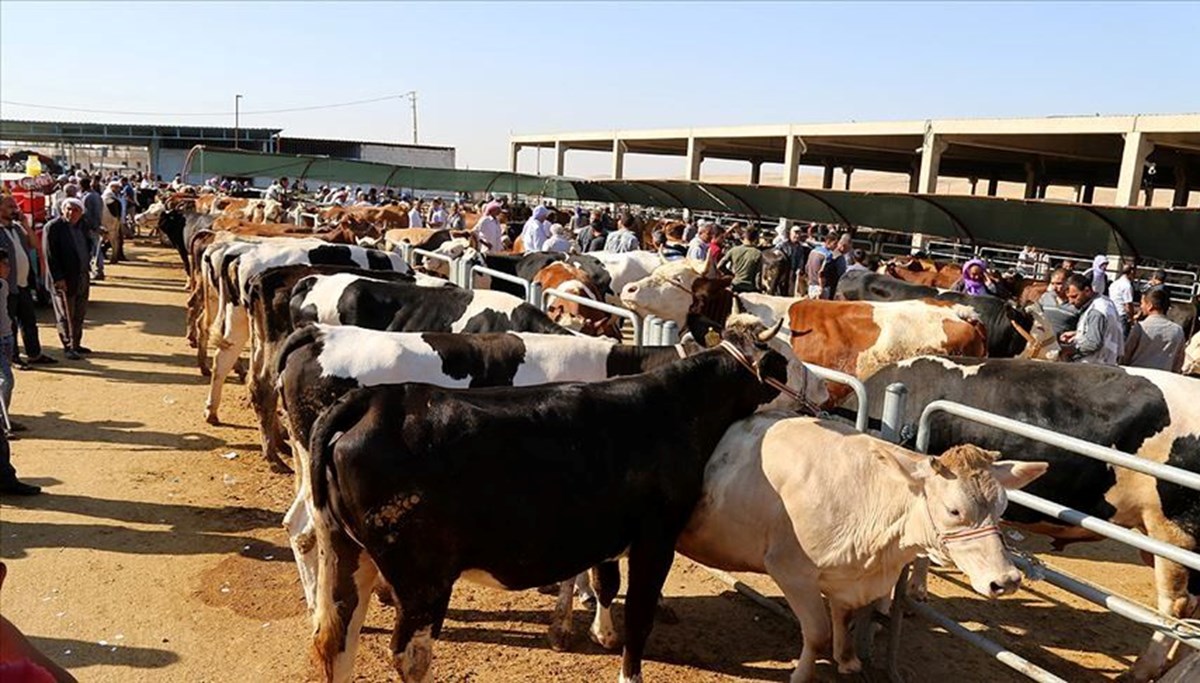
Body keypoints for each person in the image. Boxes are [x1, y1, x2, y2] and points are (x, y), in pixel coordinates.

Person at [0, 198, 52, 367]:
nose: (14, 209)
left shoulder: (16, 228)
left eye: (14, 206)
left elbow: (35, 244)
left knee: (29, 321)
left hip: (23, 284)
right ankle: (13, 357)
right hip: (7, 285)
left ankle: (34, 354)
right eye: (10, 207)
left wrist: (25, 224)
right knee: (9, 323)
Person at [43, 199, 93, 360]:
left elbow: (88, 245)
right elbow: (50, 256)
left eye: (76, 210)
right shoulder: (53, 227)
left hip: (82, 276)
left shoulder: (82, 226)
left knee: (79, 312)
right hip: (63, 279)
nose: (71, 213)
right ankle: (68, 346)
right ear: (63, 210)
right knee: (65, 314)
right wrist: (58, 278)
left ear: (81, 212)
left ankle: (76, 344)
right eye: (69, 209)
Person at [1059, 273, 1124, 365]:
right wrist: (1078, 334)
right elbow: (1103, 331)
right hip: (1107, 361)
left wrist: (1068, 349)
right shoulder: (1106, 302)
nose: (1071, 302)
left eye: (1074, 296)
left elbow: (1092, 343)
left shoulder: (1096, 311)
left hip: (1094, 365)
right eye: (1068, 298)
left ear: (1087, 291)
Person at [1122, 289, 1186, 372]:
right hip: (1164, 378)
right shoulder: (1178, 330)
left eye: (1142, 303)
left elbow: (1126, 355)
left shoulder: (1141, 327)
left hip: (1137, 376)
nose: (1141, 306)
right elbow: (1178, 362)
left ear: (1150, 306)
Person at [718, 227, 764, 293]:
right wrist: (759, 290)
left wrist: (730, 274)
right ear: (756, 239)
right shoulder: (757, 253)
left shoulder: (734, 250)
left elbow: (719, 266)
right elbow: (758, 275)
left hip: (735, 284)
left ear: (744, 236)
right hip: (749, 288)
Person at [1038, 268, 1081, 337]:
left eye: (1058, 283)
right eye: (1052, 284)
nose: (1054, 288)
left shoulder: (1078, 304)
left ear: (1069, 283)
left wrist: (1074, 334)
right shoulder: (1045, 297)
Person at [78, 178, 105, 281]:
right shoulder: (96, 195)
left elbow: (87, 214)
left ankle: (98, 271)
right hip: (95, 225)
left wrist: (92, 226)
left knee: (94, 250)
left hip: (90, 227)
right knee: (96, 249)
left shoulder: (87, 197)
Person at [777, 225, 810, 295]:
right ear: (790, 234)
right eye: (795, 233)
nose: (797, 236)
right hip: (783, 273)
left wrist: (800, 268)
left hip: (794, 273)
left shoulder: (800, 248)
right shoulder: (782, 245)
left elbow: (801, 259)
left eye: (798, 234)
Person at [1108, 263, 1136, 335]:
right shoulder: (1127, 286)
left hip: (1112, 313)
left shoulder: (1114, 283)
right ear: (1131, 272)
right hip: (1122, 315)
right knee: (1123, 339)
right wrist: (1131, 318)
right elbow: (1128, 305)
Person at [805, 232, 835, 298]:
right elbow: (822, 273)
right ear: (828, 242)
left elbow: (807, 268)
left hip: (811, 286)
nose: (836, 246)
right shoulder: (828, 255)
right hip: (821, 287)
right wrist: (822, 287)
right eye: (834, 243)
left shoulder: (812, 251)